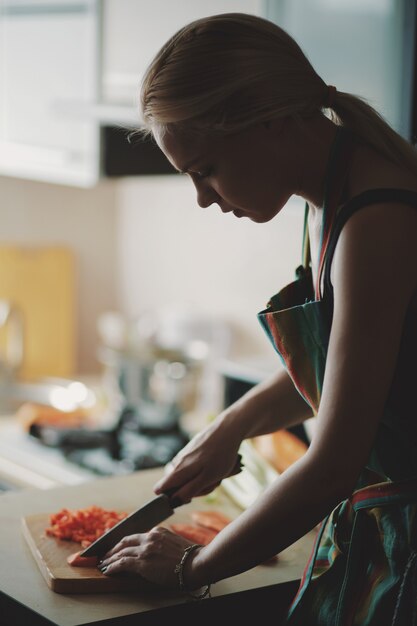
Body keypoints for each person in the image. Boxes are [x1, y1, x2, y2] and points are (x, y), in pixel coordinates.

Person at [98, 13, 417, 624]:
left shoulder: (377, 219)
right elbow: (345, 367)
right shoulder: (334, 196)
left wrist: (192, 566)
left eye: (205, 169)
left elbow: (332, 464)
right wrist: (231, 427)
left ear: (266, 120)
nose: (203, 197)